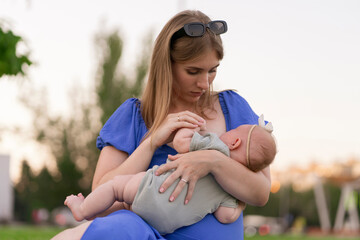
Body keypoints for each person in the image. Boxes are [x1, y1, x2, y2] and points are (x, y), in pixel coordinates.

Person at [52, 9, 273, 240]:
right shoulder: (134, 115)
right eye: (193, 71)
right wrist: (152, 141)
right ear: (167, 65)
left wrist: (212, 161)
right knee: (97, 233)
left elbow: (260, 192)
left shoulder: (232, 107)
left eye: (212, 70)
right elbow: (100, 198)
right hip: (145, 233)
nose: (204, 82)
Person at [64, 118, 276, 234]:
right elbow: (226, 216)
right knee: (127, 204)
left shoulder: (215, 145)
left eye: (235, 129)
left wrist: (196, 131)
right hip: (166, 224)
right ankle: (95, 213)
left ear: (235, 142)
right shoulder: (231, 191)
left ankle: (83, 210)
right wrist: (239, 203)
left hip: (153, 189)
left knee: (116, 188)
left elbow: (181, 142)